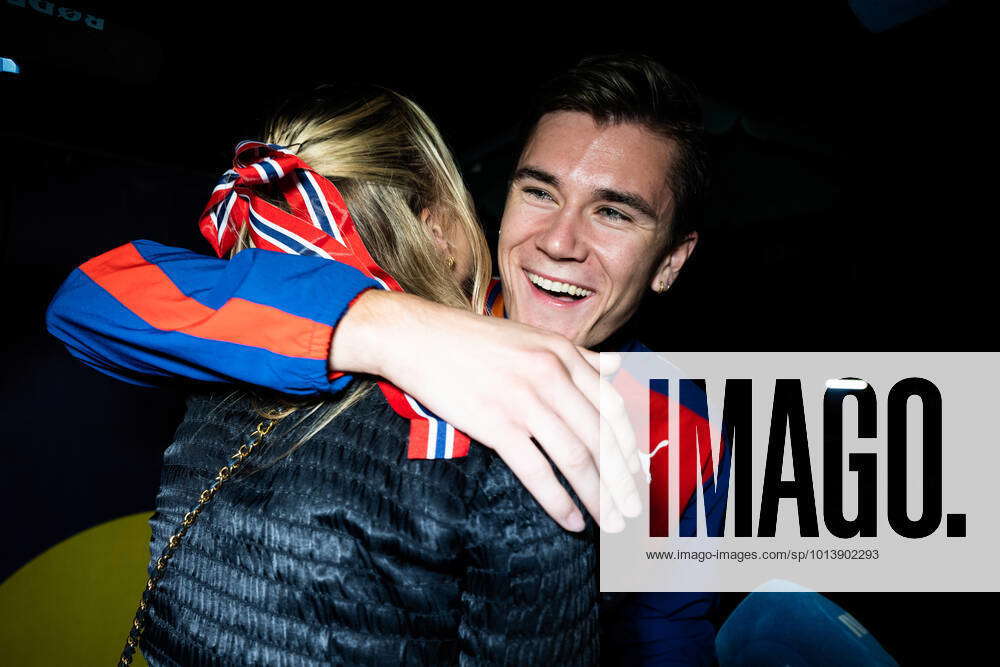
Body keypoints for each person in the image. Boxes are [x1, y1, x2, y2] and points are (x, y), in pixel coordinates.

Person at [48, 54, 727, 663]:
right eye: (539, 191)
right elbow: (87, 303)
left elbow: (671, 629)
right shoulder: (406, 305)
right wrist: (387, 326)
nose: (559, 242)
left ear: (671, 260)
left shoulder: (689, 418)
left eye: (614, 213)